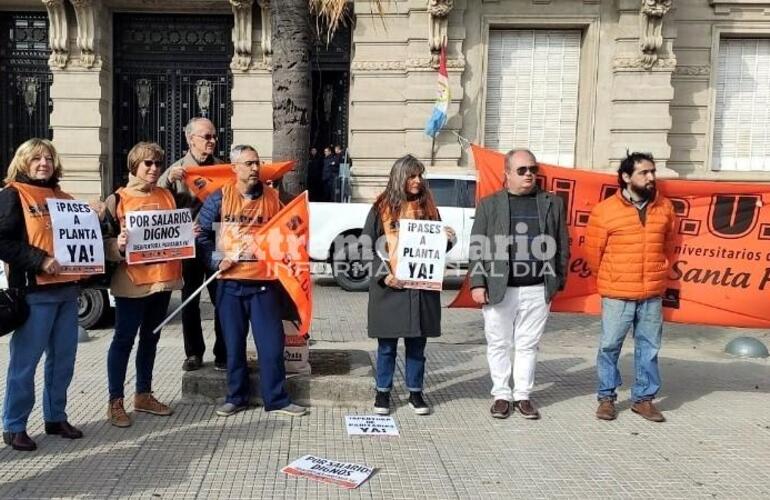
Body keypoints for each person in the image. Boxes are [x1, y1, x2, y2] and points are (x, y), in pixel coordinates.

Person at [197, 144, 308, 418]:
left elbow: (291, 231)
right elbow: (200, 236)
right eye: (248, 164)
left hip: (264, 286)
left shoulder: (273, 197)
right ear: (234, 168)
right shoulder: (219, 199)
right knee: (233, 348)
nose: (255, 168)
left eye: (257, 163)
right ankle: (236, 397)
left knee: (271, 347)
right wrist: (214, 260)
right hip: (230, 285)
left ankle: (278, 399)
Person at [469, 149, 569, 420]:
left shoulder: (552, 203)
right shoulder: (490, 205)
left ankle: (523, 395)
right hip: (500, 288)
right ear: (507, 173)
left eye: (533, 169)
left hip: (538, 288)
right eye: (522, 170)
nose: (529, 175)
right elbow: (478, 246)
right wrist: (478, 283)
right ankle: (501, 394)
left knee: (527, 344)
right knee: (498, 343)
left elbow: (562, 244)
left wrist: (557, 282)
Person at [0, 138, 84, 451]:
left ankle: (55, 417)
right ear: (23, 162)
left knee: (63, 360)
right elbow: (3, 241)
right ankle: (14, 425)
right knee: (25, 363)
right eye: (35, 158)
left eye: (48, 158)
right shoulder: (12, 195)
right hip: (34, 293)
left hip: (67, 290)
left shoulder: (64, 197)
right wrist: (40, 260)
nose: (43, 163)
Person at [585, 152, 676, 423]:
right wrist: (612, 279)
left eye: (652, 172)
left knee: (649, 347)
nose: (650, 177)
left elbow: (669, 246)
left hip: (651, 294)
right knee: (609, 346)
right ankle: (606, 398)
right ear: (626, 177)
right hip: (617, 294)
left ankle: (643, 400)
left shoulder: (665, 208)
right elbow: (593, 254)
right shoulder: (605, 210)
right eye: (644, 173)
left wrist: (658, 272)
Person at [362, 154, 455, 416]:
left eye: (420, 175)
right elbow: (365, 246)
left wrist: (447, 239)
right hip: (390, 288)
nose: (418, 180)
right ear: (400, 177)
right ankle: (382, 394)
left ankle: (416, 393)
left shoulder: (429, 207)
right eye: (412, 175)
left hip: (420, 289)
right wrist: (383, 274)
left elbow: (435, 248)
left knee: (417, 346)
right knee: (387, 347)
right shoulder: (381, 207)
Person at [103, 141, 183, 427]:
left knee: (151, 339)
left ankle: (143, 394)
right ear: (134, 166)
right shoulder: (117, 199)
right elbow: (103, 243)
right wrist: (118, 245)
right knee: (123, 340)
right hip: (131, 282)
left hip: (161, 282)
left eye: (158, 164)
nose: (153, 168)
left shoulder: (168, 195)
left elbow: (178, 229)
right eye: (147, 163)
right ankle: (115, 401)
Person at [159, 117, 226, 372]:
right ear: (190, 139)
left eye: (213, 136)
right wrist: (167, 180)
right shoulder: (176, 170)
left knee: (222, 300)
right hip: (187, 244)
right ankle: (194, 353)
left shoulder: (222, 168)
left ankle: (223, 353)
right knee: (190, 300)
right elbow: (154, 199)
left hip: (216, 242)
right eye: (206, 137)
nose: (212, 141)